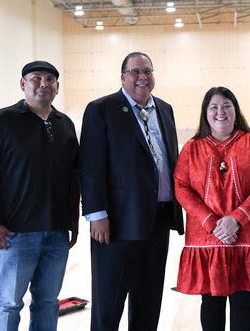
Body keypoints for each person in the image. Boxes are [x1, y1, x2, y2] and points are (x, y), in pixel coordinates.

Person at [79, 51, 184, 331]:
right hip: (117, 222)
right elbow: (90, 165)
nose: (142, 77)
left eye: (147, 71)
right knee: (110, 301)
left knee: (149, 299)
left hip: (159, 219)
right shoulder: (101, 109)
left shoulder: (165, 108)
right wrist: (96, 214)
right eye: (135, 72)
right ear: (123, 76)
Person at [0, 60, 80, 331]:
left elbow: (74, 177)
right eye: (36, 78)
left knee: (47, 302)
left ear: (57, 87)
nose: (44, 83)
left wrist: (73, 222)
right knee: (9, 303)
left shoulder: (65, 125)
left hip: (56, 234)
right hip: (15, 235)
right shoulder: (3, 120)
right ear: (23, 84)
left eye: (50, 79)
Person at [175, 86, 250, 331]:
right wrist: (211, 222)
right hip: (207, 238)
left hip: (246, 235)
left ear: (235, 110)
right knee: (211, 302)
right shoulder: (192, 147)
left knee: (244, 303)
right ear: (205, 113)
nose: (220, 112)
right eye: (214, 107)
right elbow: (181, 186)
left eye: (226, 106)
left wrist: (238, 218)